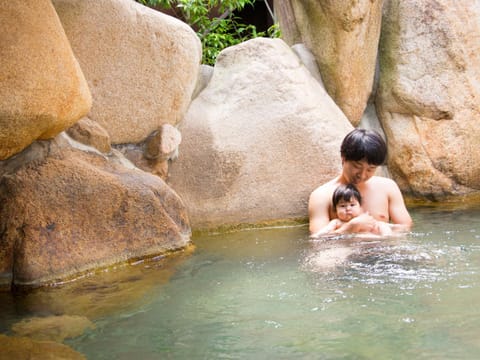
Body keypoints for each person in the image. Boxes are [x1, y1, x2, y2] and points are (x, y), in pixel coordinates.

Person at [308, 128, 412, 235]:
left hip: (381, 249)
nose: (362, 175)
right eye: (357, 166)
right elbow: (317, 240)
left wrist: (381, 229)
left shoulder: (388, 187)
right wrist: (350, 228)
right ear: (343, 158)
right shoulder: (321, 195)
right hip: (344, 250)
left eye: (370, 169)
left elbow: (405, 228)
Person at [311, 183, 393, 237]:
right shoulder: (336, 223)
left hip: (371, 245)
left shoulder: (365, 219)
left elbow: (381, 225)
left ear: (360, 207)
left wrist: (386, 235)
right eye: (342, 206)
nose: (348, 209)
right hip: (346, 247)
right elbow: (319, 235)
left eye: (352, 205)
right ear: (335, 210)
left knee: (383, 225)